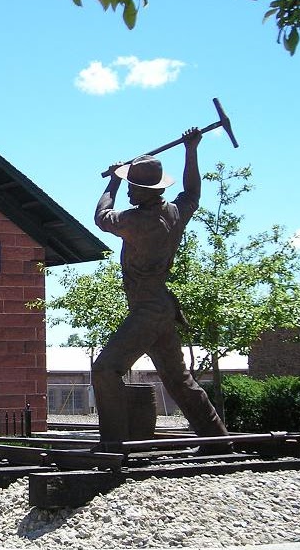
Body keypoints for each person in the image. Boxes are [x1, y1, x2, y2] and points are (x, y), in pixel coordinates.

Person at [91, 127, 228, 448]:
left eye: (133, 187)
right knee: (180, 381)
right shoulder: (174, 213)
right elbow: (192, 192)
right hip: (162, 308)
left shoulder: (137, 221)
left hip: (149, 310)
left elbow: (101, 216)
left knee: (105, 370)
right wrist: (191, 150)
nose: (128, 192)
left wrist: (113, 179)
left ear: (146, 190)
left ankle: (112, 448)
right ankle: (219, 441)